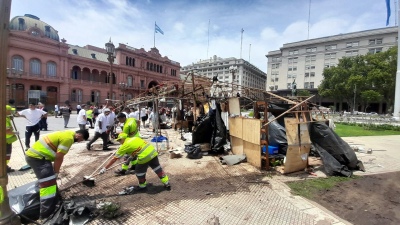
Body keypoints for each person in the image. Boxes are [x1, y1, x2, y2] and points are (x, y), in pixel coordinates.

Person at [25, 129, 89, 218]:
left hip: (37, 157)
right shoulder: (68, 139)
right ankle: (46, 213)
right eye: (80, 140)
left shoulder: (67, 133)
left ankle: (53, 201)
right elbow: (59, 157)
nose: (79, 142)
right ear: (79, 135)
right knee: (48, 185)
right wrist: (56, 172)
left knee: (47, 180)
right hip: (38, 159)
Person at [100, 133, 170, 192]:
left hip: (144, 156)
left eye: (119, 140)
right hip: (152, 152)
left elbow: (114, 159)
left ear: (122, 139)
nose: (119, 142)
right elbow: (138, 148)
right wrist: (131, 156)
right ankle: (166, 182)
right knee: (157, 168)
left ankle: (142, 186)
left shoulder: (124, 146)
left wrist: (105, 168)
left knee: (139, 171)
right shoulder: (135, 138)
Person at [6, 105, 18, 173]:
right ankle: (3, 167)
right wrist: (15, 133)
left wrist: (9, 117)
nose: (11, 111)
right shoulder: (4, 119)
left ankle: (4, 166)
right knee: (6, 155)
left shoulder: (5, 117)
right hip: (5, 141)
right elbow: (7, 131)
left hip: (6, 140)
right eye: (10, 110)